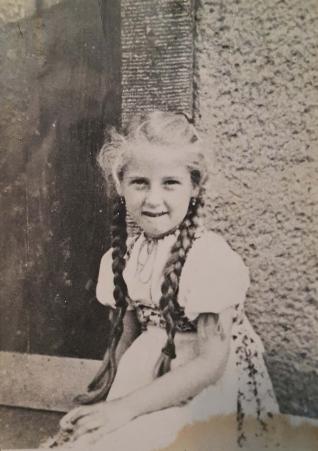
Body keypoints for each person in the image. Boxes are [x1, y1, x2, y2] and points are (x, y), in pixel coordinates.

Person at [54, 111, 279, 450]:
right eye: (140, 182)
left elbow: (210, 365)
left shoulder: (210, 258)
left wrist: (124, 408)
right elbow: (125, 340)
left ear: (195, 186)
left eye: (170, 182)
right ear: (120, 185)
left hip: (203, 390)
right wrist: (104, 401)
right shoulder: (120, 258)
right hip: (145, 377)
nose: (153, 199)